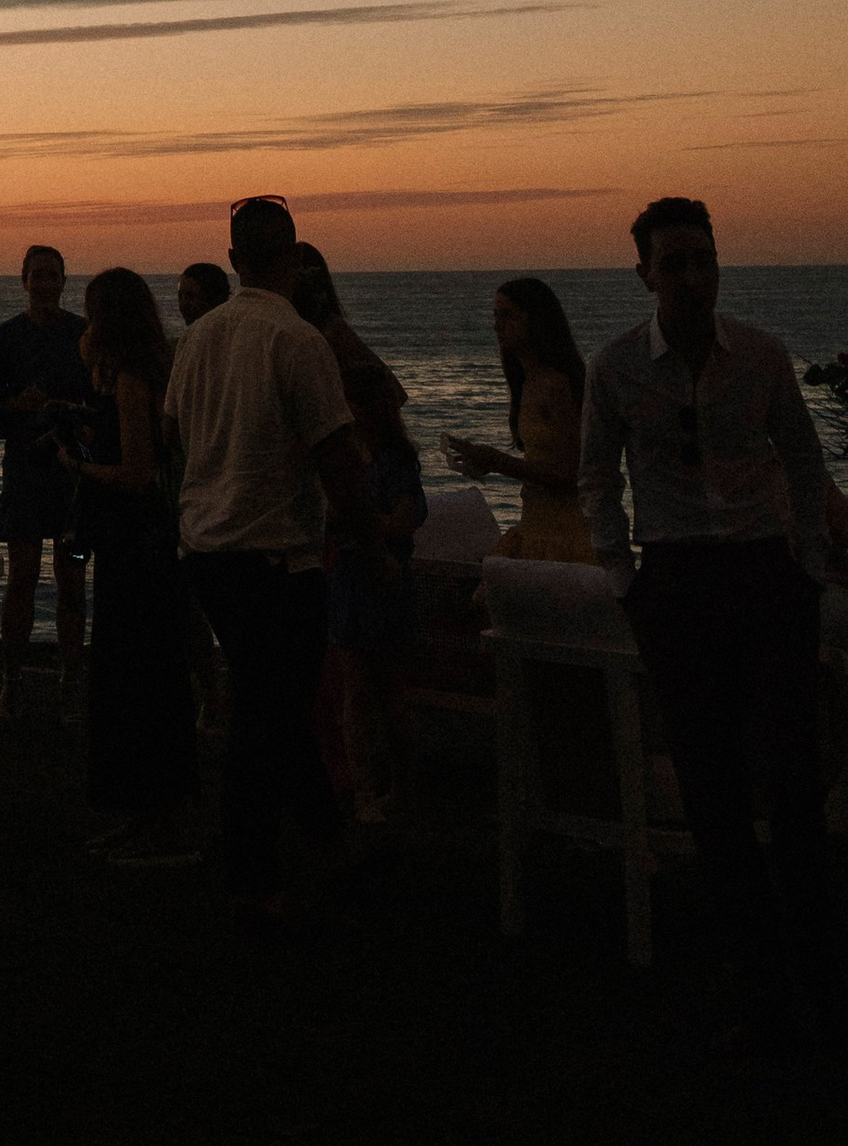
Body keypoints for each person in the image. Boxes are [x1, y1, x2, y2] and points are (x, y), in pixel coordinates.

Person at [579, 194, 835, 1034]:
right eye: (674, 262)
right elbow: (595, 478)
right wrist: (625, 578)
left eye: (704, 258)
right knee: (710, 782)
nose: (692, 277)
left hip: (766, 574)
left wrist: (808, 569)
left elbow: (802, 458)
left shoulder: (760, 356)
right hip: (679, 583)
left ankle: (815, 961)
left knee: (791, 772)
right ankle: (753, 968)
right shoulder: (616, 367)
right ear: (645, 273)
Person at [164, 196, 378, 914]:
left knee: (272, 708)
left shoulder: (198, 338)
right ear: (294, 257)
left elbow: (175, 434)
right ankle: (254, 873)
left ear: (233, 260)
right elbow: (336, 453)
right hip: (276, 556)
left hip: (208, 549)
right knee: (268, 717)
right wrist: (367, 539)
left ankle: (326, 839)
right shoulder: (295, 340)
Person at [56, 266, 196, 863]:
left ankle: (159, 820)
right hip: (130, 544)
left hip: (140, 547)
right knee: (125, 678)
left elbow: (138, 473)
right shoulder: (123, 376)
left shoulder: (135, 381)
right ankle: (141, 814)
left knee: (140, 679)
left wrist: (79, 468)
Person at [0, 245, 89, 715]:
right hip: (25, 477)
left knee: (72, 579)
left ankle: (69, 679)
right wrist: (21, 404)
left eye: (51, 275)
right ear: (23, 280)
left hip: (73, 477)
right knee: (22, 578)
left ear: (63, 279)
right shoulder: (5, 339)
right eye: (37, 275)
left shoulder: (83, 335)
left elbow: (101, 403)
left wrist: (60, 408)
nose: (44, 283)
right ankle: (11, 679)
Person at [326, 360, 424, 824]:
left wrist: (361, 525)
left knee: (388, 694)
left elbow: (403, 520)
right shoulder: (343, 460)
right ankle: (366, 788)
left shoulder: (395, 459)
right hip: (351, 577)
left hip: (381, 579)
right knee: (358, 692)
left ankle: (401, 789)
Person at [443, 277, 595, 560]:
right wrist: (486, 462)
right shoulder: (526, 382)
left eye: (508, 314)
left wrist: (499, 462)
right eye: (495, 315)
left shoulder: (557, 384)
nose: (497, 325)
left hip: (564, 532)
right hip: (535, 523)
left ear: (536, 319)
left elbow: (570, 474)